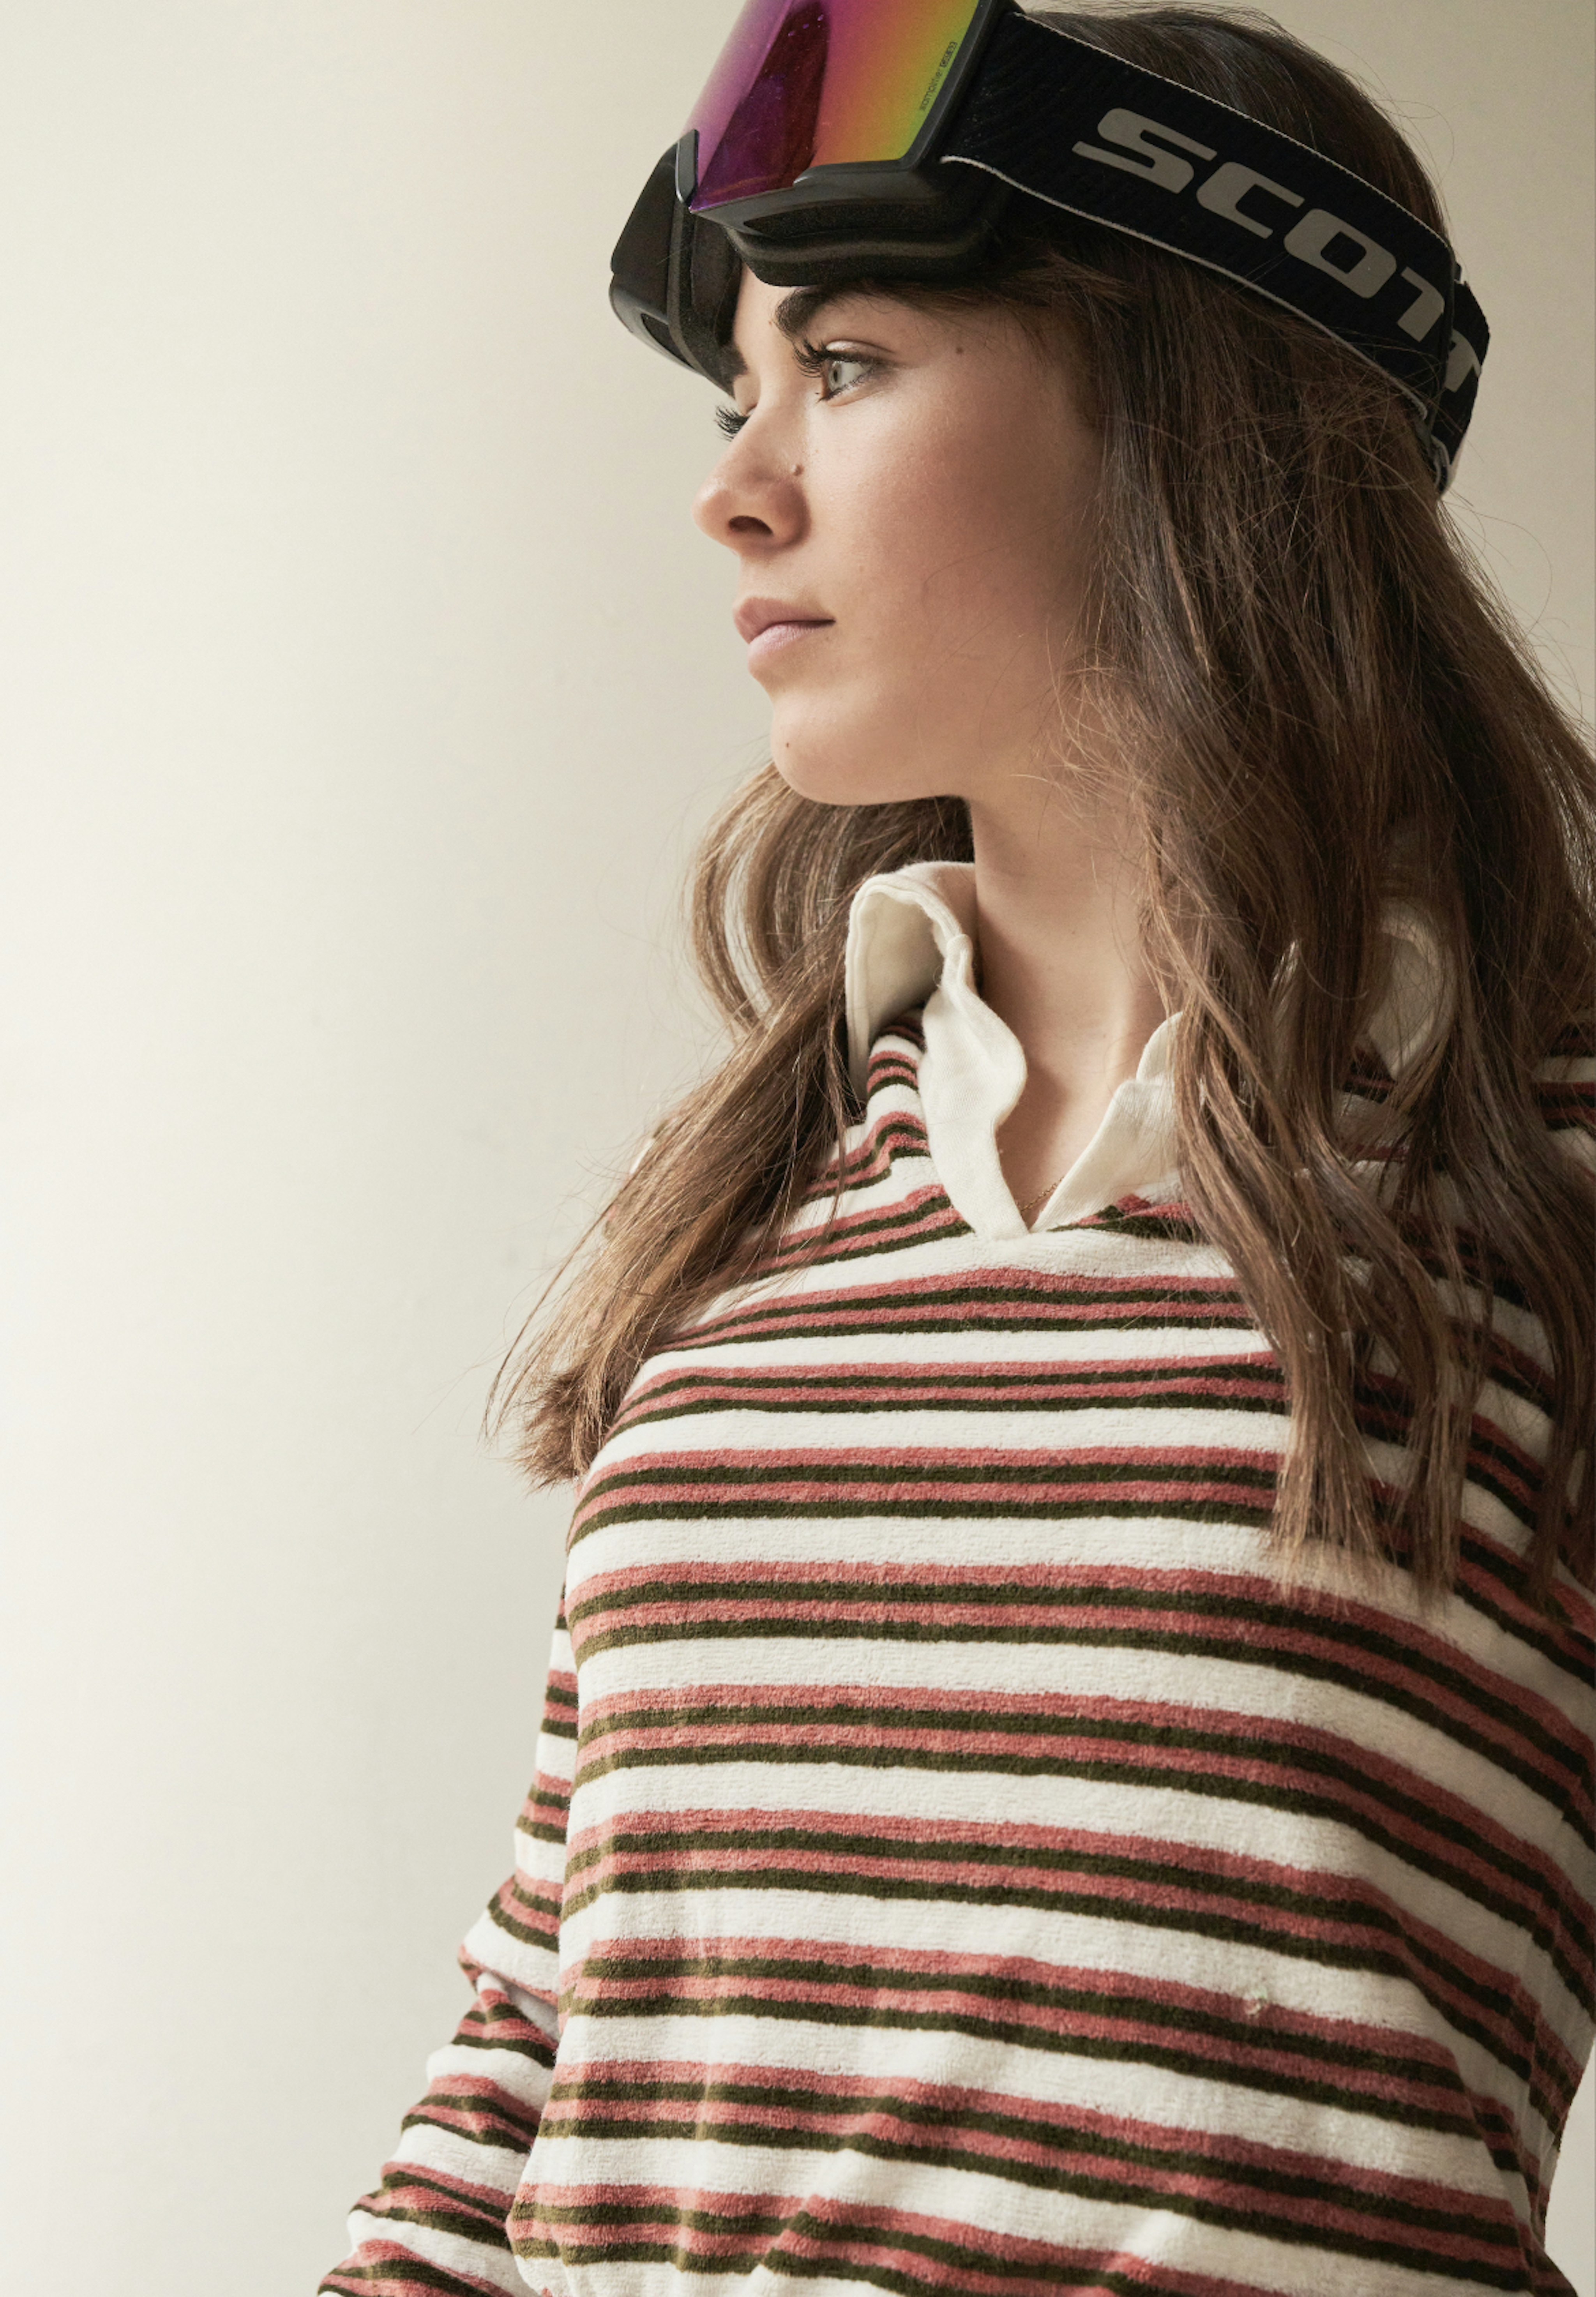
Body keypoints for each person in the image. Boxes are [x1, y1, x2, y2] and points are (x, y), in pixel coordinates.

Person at [320, 5, 1594, 2292]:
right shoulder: (745, 1235)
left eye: (854, 361)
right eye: (739, 394)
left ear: (1204, 402)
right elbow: (533, 2032)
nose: (736, 483)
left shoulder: (1543, 1180)